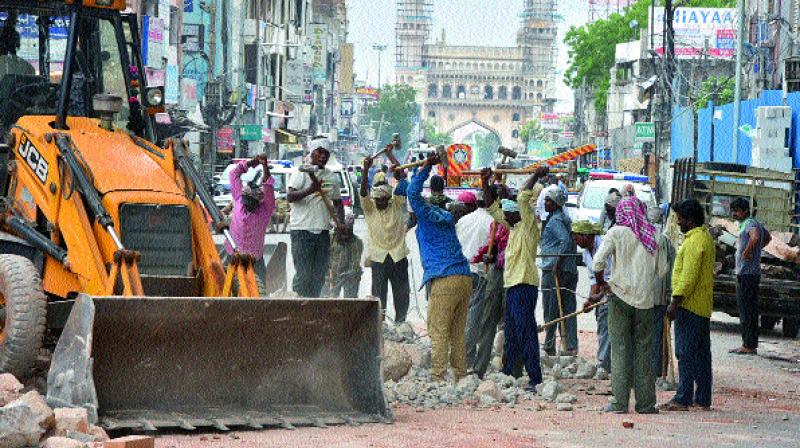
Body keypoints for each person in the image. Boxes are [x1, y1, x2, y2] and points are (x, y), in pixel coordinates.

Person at [587, 196, 667, 414]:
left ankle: (619, 403)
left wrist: (603, 284)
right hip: (645, 301)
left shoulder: (616, 233)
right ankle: (646, 404)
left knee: (620, 350)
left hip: (619, 297)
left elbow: (597, 263)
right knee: (644, 352)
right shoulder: (655, 234)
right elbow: (662, 271)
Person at [482, 166, 548, 389]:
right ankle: (508, 370)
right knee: (511, 330)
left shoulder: (528, 225)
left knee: (526, 331)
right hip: (512, 285)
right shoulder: (511, 226)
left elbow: (522, 197)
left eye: (509, 213)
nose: (505, 217)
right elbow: (492, 208)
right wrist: (485, 181)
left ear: (517, 213)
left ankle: (535, 377)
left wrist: (537, 174)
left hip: (524, 284)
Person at [407, 154, 472, 381]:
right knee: (457, 332)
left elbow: (412, 194)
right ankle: (461, 374)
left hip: (444, 278)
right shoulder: (446, 217)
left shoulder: (425, 216)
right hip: (464, 277)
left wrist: (425, 167)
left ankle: (437, 375)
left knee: (438, 329)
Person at [661, 199, 715, 411]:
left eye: (681, 219)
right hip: (701, 306)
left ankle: (683, 397)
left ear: (690, 220)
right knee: (701, 354)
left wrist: (675, 301)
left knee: (684, 352)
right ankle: (702, 398)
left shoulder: (694, 242)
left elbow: (689, 277)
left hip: (689, 305)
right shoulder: (705, 238)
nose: (678, 223)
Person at [287, 140, 345, 298]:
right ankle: (298, 308)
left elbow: (338, 203)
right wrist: (310, 190)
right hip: (301, 231)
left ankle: (312, 307)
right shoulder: (301, 173)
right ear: (311, 152)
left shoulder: (331, 177)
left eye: (326, 153)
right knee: (303, 275)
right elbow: (290, 196)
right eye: (319, 152)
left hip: (323, 233)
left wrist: (341, 223)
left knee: (319, 276)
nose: (322, 156)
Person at [361, 154, 411, 322]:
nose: (381, 202)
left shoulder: (396, 203)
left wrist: (392, 157)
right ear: (374, 198)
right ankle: (379, 325)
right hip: (378, 258)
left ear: (388, 197)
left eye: (384, 199)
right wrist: (365, 170)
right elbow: (362, 193)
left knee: (401, 293)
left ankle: (400, 322)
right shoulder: (370, 208)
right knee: (378, 294)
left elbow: (403, 181)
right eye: (378, 199)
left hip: (398, 256)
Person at [223, 155, 276, 290]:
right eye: (246, 202)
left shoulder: (266, 209)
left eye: (251, 203)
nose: (247, 205)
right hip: (232, 257)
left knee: (259, 292)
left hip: (255, 262)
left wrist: (264, 166)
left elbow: (268, 184)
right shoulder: (239, 198)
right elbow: (234, 173)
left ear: (259, 201)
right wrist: (252, 162)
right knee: (228, 290)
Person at [457, 190, 495, 368]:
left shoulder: (463, 220)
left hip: (461, 271)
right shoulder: (492, 223)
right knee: (473, 316)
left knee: (461, 314)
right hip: (479, 273)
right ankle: (467, 357)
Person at [540, 185, 579, 356]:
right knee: (568, 308)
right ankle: (570, 345)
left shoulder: (555, 221)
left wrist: (557, 262)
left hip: (555, 271)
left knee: (551, 308)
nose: (546, 203)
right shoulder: (564, 218)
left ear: (555, 203)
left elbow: (564, 241)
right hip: (569, 270)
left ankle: (549, 344)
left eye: (549, 200)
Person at [469, 216, 510, 378]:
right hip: (496, 273)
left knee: (510, 323)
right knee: (488, 322)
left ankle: (510, 366)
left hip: (512, 274)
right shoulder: (496, 225)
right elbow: (492, 249)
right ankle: (480, 367)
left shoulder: (520, 225)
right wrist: (490, 255)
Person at [729, 197, 770, 355]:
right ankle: (749, 343)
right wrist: (757, 250)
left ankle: (748, 345)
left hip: (746, 274)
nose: (734, 214)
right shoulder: (753, 223)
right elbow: (767, 238)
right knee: (749, 310)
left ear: (745, 211)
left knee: (746, 310)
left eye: (737, 211)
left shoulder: (750, 224)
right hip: (750, 273)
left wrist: (748, 251)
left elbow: (755, 237)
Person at [572, 220, 611, 372]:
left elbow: (611, 276)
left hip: (614, 289)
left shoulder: (604, 246)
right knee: (602, 324)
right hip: (603, 292)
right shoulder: (586, 253)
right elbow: (593, 279)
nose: (575, 241)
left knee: (606, 326)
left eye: (577, 238)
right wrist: (590, 299)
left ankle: (604, 364)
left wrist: (600, 295)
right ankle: (605, 362)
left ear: (586, 235)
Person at [325, 214, 363, 298]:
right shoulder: (328, 240)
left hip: (349, 275)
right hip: (330, 275)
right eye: (342, 230)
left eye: (348, 229)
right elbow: (324, 261)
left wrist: (346, 275)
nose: (345, 232)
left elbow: (355, 265)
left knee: (354, 276)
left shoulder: (357, 242)